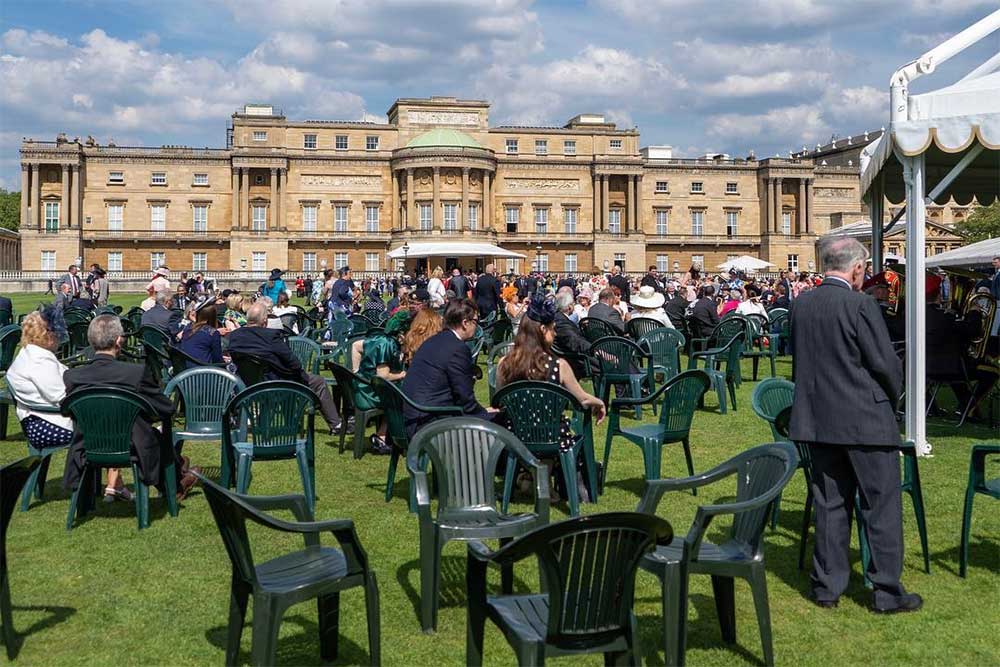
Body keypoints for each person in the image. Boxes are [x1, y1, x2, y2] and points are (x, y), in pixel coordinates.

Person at [789, 236, 920, 614]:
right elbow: (885, 364)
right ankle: (886, 592)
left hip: (817, 419)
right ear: (857, 268)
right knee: (880, 505)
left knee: (830, 505)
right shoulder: (861, 304)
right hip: (865, 420)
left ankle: (827, 587)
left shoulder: (802, 303)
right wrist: (891, 398)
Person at [62, 315, 199, 500]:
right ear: (119, 340)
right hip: (132, 445)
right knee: (156, 436)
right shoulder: (135, 373)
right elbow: (166, 408)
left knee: (154, 436)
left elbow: (67, 410)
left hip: (88, 445)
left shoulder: (73, 376)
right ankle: (175, 481)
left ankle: (178, 472)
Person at [496, 294, 606, 501]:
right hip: (553, 437)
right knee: (558, 431)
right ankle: (540, 482)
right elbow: (581, 399)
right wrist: (599, 402)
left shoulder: (504, 364)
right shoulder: (559, 366)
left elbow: (500, 400)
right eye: (553, 328)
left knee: (535, 429)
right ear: (542, 330)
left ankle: (529, 478)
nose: (555, 333)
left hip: (515, 436)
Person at [227, 301, 344, 433]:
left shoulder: (235, 336)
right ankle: (336, 425)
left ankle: (275, 423)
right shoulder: (270, 336)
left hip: (249, 385)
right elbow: (294, 363)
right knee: (318, 382)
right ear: (265, 320)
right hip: (277, 384)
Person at [401, 298, 496, 436]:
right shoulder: (457, 348)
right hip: (432, 421)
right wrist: (485, 413)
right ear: (465, 323)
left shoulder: (432, 341)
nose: (477, 325)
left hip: (414, 417)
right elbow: (465, 398)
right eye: (475, 321)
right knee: (502, 425)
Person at [355, 310, 410, 454]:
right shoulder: (387, 345)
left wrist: (355, 373)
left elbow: (355, 345)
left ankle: (386, 435)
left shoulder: (380, 339)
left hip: (364, 386)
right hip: (369, 393)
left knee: (400, 393)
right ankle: (385, 437)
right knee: (403, 397)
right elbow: (383, 376)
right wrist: (402, 374)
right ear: (402, 334)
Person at [553, 290, 593, 378]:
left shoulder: (559, 318)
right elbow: (575, 341)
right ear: (569, 306)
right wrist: (595, 350)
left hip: (573, 356)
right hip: (576, 360)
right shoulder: (561, 322)